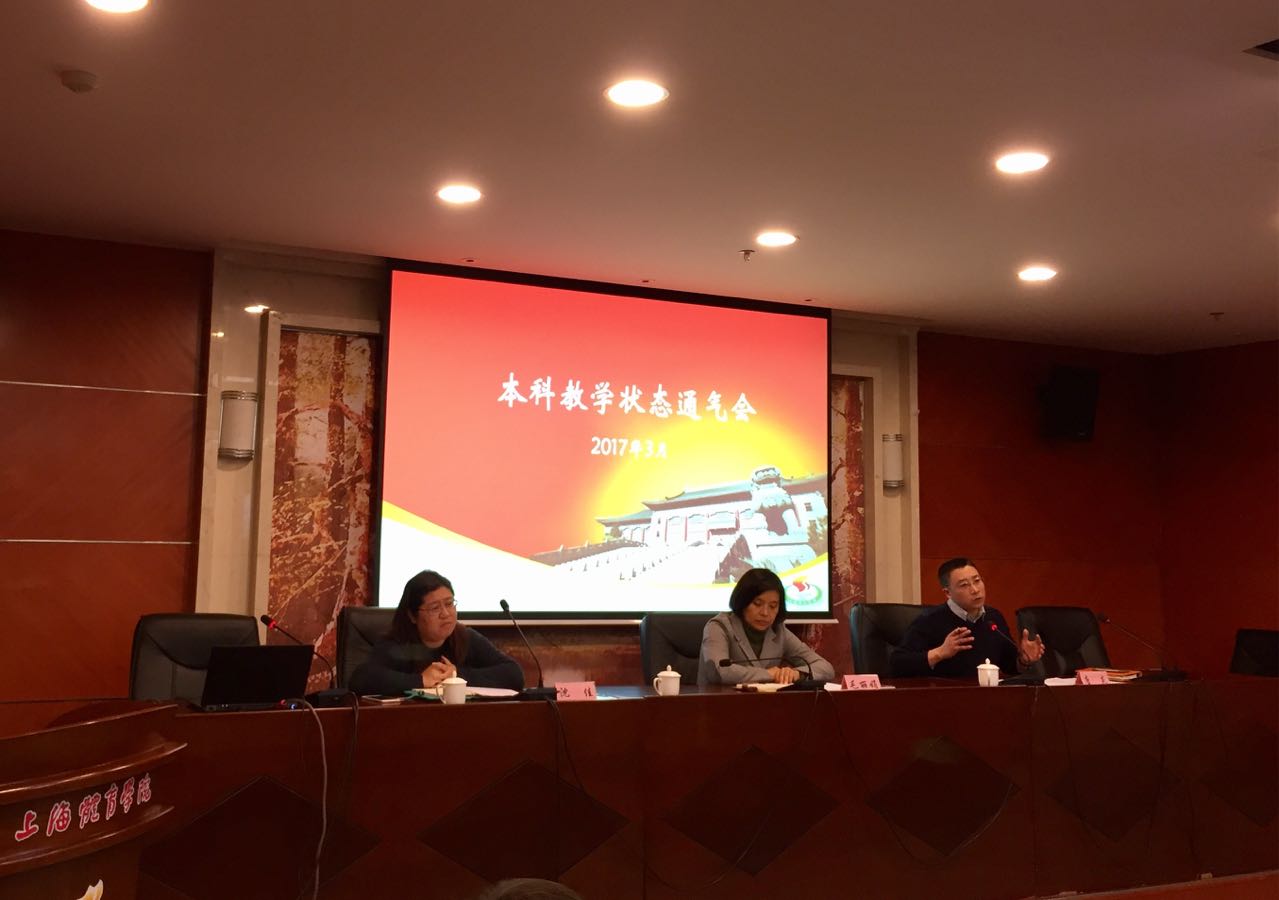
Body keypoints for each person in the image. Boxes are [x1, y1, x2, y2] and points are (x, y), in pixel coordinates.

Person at [349, 570, 525, 694]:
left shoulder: (465, 637)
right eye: (435, 608)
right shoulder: (397, 643)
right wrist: (420, 680)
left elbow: (513, 674)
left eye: (449, 604)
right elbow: (360, 679)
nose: (446, 614)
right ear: (412, 615)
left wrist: (456, 676)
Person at [889, 557, 1046, 678]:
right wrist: (940, 652)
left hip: (986, 699)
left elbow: (1009, 666)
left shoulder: (993, 618)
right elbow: (897, 664)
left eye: (977, 581)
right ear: (948, 593)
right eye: (964, 585)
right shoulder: (929, 620)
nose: (975, 590)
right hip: (944, 700)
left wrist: (1024, 659)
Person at [698, 567, 835, 686]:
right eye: (757, 604)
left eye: (773, 606)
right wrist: (769, 674)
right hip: (719, 704)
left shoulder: (778, 631)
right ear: (743, 602)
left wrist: (796, 674)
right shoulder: (719, 627)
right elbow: (717, 671)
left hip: (766, 704)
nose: (765, 613)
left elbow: (826, 668)